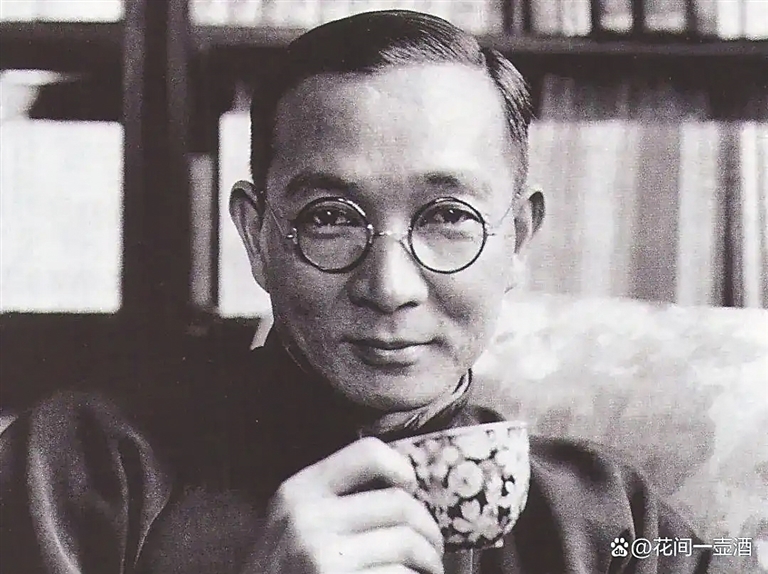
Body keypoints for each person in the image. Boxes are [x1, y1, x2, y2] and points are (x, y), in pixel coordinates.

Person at [0, 10, 712, 574]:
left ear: (518, 239)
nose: (390, 287)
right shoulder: (81, 471)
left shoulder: (614, 521)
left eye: (448, 218)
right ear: (256, 237)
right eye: (331, 219)